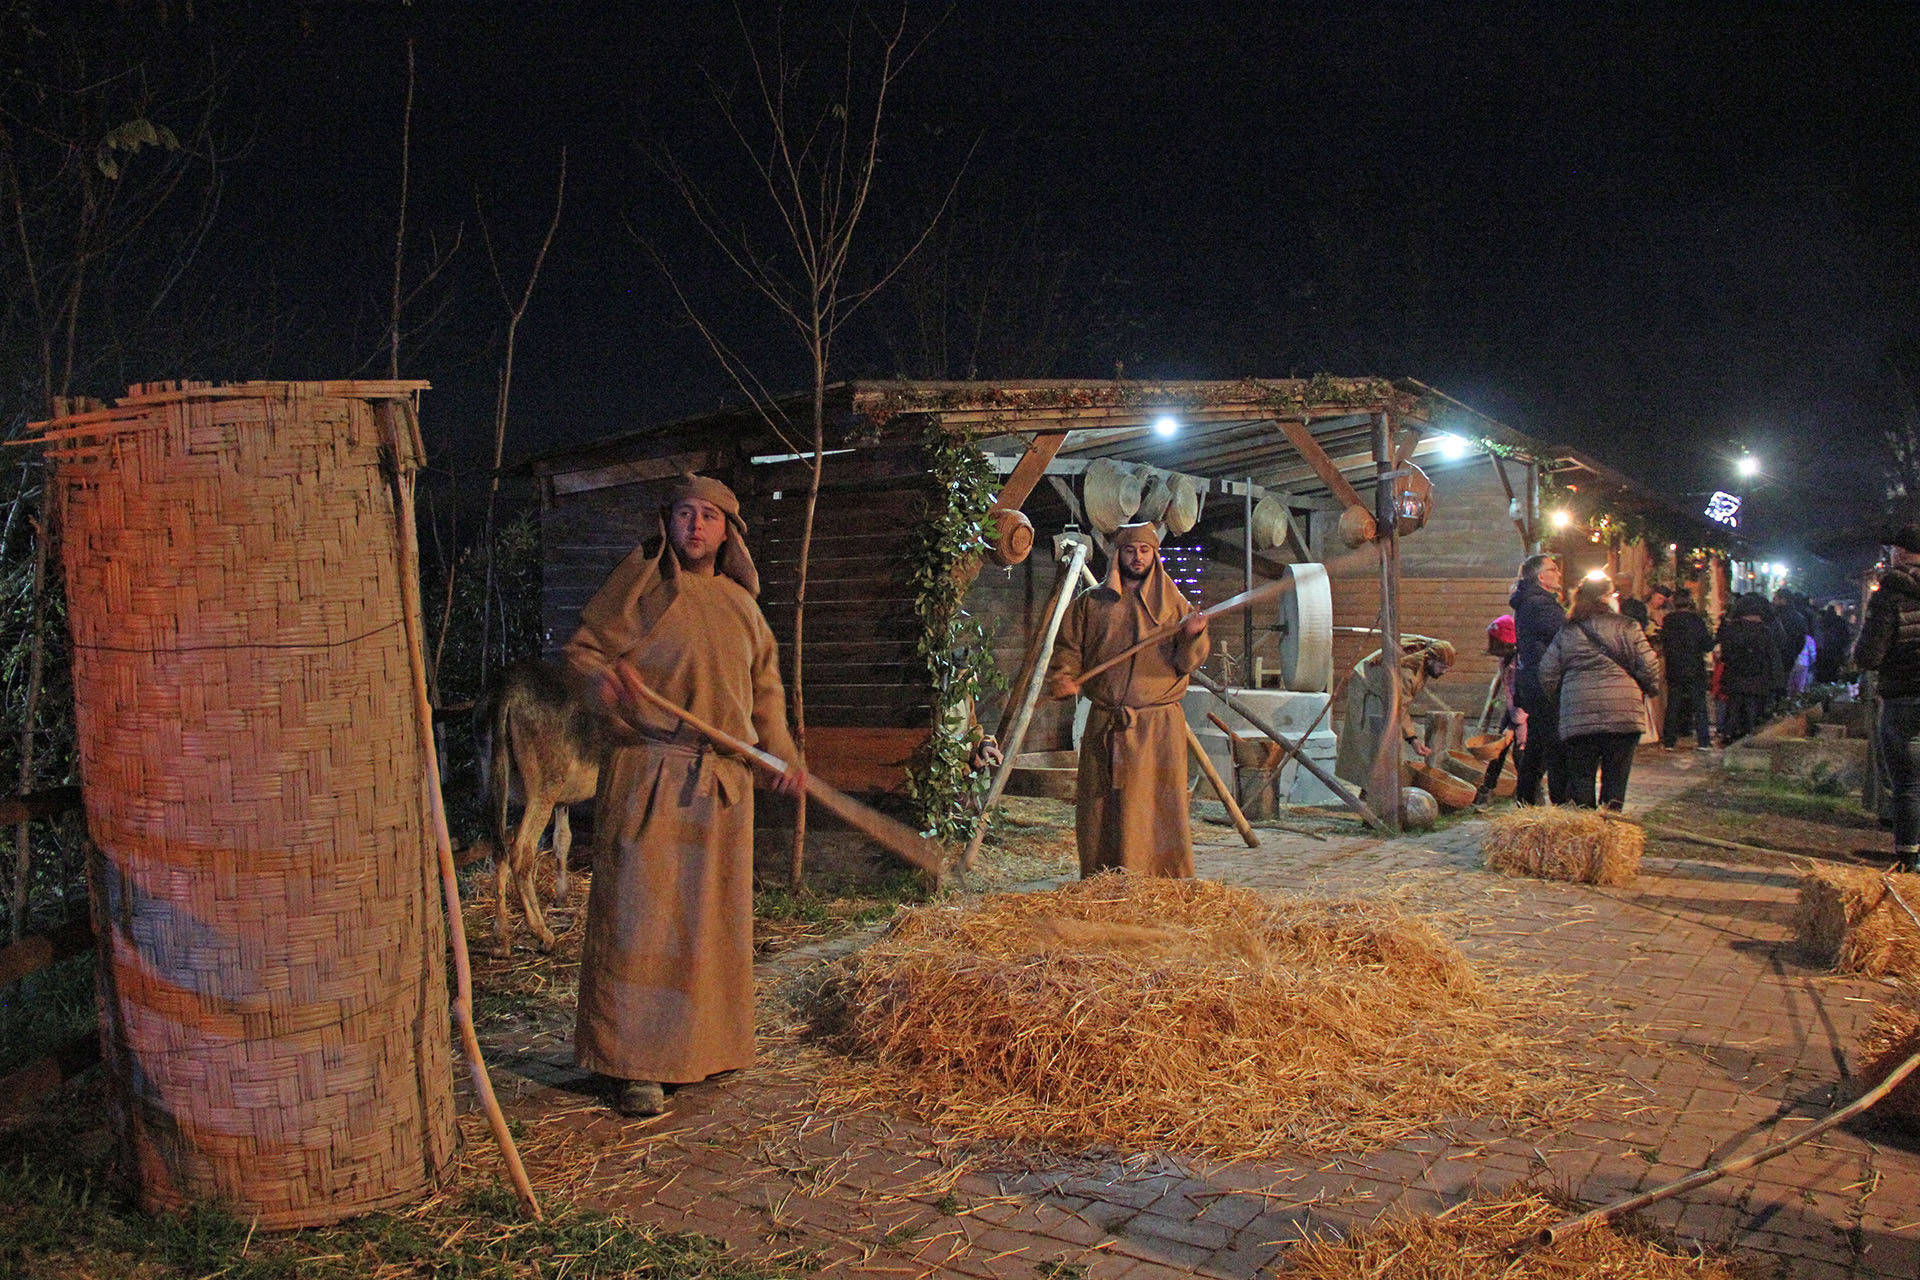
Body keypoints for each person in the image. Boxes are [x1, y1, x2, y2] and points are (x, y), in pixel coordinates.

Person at [560, 475, 804, 1118]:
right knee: (643, 921)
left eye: (711, 517)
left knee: (708, 925)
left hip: (722, 786)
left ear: (729, 532)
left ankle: (703, 1049)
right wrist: (606, 688)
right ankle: (635, 1064)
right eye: (686, 514)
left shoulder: (742, 607)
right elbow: (585, 655)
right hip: (651, 775)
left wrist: (782, 754)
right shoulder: (641, 587)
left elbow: (765, 691)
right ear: (668, 522)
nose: (696, 526)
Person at [1045, 521, 1210, 877]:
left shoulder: (1174, 607)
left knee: (1155, 808)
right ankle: (1105, 877)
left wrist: (1193, 637)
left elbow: (1185, 663)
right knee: (1102, 808)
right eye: (1131, 550)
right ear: (1119, 555)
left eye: (1145, 550)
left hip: (1156, 730)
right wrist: (1063, 678)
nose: (1138, 558)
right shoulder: (1090, 604)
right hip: (1107, 724)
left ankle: (1161, 879)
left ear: (1155, 555)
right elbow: (1068, 650)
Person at [1538, 572, 1663, 809]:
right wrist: (1648, 690)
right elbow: (1648, 665)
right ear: (1607, 597)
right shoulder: (1628, 626)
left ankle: (1587, 829)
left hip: (1579, 713)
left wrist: (1563, 698)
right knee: (1616, 778)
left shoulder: (1568, 630)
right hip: (1622, 712)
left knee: (1582, 777)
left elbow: (1547, 671)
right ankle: (1611, 827)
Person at [1853, 525, 1920, 871]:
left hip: (1903, 695)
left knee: (1908, 781)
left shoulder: (1890, 594)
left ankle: (1910, 858)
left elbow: (1869, 656)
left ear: (1903, 554)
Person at [1333, 635, 1457, 794]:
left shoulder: (1425, 655)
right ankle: (1372, 794)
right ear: (1431, 659)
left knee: (1386, 742)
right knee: (1377, 742)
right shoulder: (1407, 670)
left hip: (1381, 692)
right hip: (1368, 689)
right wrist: (1413, 739)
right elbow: (1400, 706)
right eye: (1442, 667)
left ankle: (1375, 790)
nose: (1444, 672)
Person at [1510, 553, 1570, 804]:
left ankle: (1525, 799)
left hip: (1535, 680)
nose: (1558, 573)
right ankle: (1560, 801)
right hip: (1544, 682)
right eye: (1553, 569)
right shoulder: (1540, 604)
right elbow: (1565, 633)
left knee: (1537, 743)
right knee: (1554, 745)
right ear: (1541, 576)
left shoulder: (1532, 601)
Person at [1716, 593, 1784, 744]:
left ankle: (1729, 736)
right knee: (1753, 709)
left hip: (1735, 677)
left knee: (1733, 708)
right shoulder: (1765, 632)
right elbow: (1773, 656)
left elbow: (1725, 654)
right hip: (1758, 678)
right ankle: (1750, 737)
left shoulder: (1733, 630)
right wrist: (1776, 680)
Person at [1658, 588, 1715, 749]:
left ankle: (1669, 740)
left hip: (1675, 667)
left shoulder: (1668, 621)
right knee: (1699, 705)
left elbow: (1664, 641)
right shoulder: (1696, 621)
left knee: (1673, 703)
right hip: (1694, 667)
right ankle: (1703, 740)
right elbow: (1707, 645)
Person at [1814, 603, 1852, 686]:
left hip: (1823, 655)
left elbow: (1817, 638)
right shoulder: (1841, 622)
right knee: (1834, 675)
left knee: (1822, 677)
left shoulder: (1821, 623)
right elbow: (1847, 638)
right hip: (1837, 653)